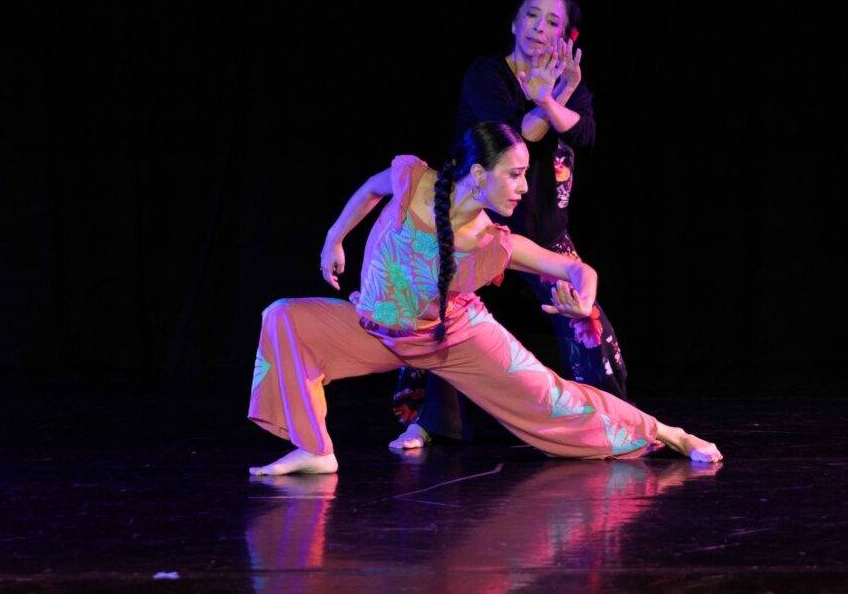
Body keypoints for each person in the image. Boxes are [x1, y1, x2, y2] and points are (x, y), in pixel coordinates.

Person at [248, 122, 722, 476]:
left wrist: (585, 297)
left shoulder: (495, 242)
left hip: (454, 338)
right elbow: (372, 188)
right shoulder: (413, 180)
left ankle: (666, 433)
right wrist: (335, 238)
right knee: (284, 318)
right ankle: (316, 449)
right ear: (478, 173)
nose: (522, 187)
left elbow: (577, 268)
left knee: (551, 401)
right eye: (514, 175)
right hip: (375, 329)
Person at [389, 0, 627, 449]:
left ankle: (611, 417)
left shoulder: (570, 85)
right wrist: (547, 104)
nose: (540, 28)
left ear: (567, 36)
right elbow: (511, 140)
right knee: (433, 312)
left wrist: (553, 100)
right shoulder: (486, 75)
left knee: (585, 318)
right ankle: (426, 421)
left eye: (552, 22)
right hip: (473, 228)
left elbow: (586, 135)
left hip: (543, 233)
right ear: (514, 22)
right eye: (532, 16)